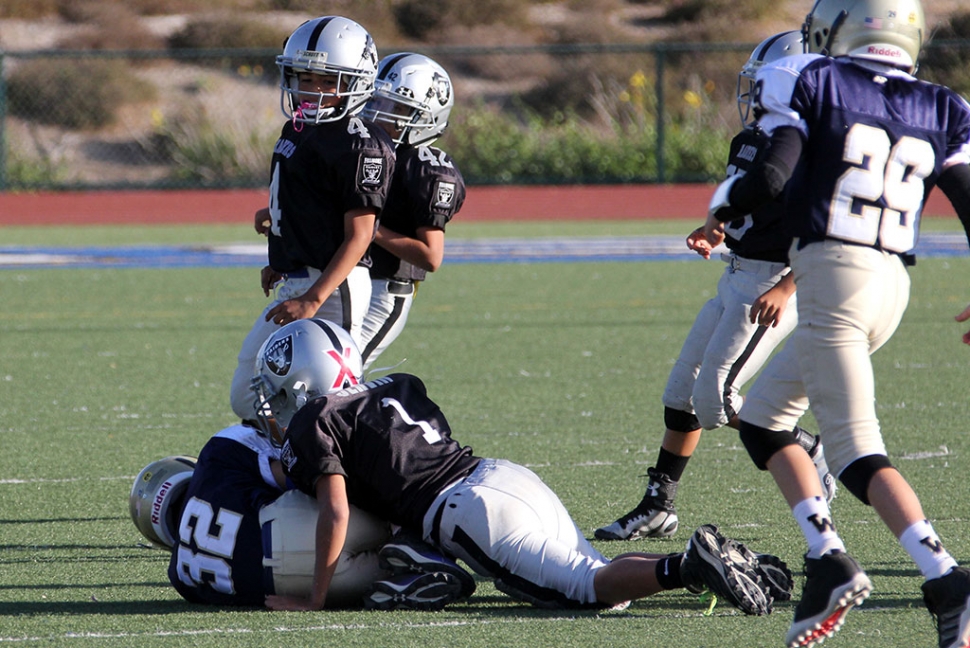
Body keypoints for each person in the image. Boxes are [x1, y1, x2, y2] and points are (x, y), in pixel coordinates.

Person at [702, 1, 970, 646]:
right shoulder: (946, 105)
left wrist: (723, 204)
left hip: (831, 273)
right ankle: (825, 554)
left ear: (837, 30)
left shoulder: (815, 80)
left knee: (854, 448)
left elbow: (770, 173)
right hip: (891, 285)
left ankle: (945, 578)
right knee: (764, 417)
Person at [249, 318, 791, 614]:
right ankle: (720, 564)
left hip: (469, 513)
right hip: (502, 476)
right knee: (594, 568)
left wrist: (315, 598)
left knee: (593, 589)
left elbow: (336, 513)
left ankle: (690, 566)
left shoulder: (314, 419)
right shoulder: (395, 386)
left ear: (304, 381)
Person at [595, 30, 835, 543]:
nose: (756, 95)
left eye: (768, 83)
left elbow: (827, 234)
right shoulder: (749, 141)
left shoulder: (813, 152)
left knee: (719, 399)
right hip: (735, 275)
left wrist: (789, 287)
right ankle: (658, 506)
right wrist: (715, 227)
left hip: (772, 285)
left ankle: (809, 447)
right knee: (681, 395)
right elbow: (742, 200)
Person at [229, 15, 397, 421]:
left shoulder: (360, 143)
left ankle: (344, 471)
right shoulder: (299, 127)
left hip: (332, 285)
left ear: (355, 82)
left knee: (330, 396)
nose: (312, 89)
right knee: (250, 391)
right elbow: (310, 198)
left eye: (326, 80)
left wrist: (312, 298)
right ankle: (282, 467)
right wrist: (281, 255)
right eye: (304, 77)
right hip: (299, 278)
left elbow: (360, 234)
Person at [129, 418, 475, 610]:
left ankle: (400, 577)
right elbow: (296, 471)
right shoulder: (219, 453)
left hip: (294, 585)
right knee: (348, 485)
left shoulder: (181, 578)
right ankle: (415, 537)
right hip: (305, 531)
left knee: (380, 568)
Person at [357, 53, 466, 372]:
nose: (380, 113)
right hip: (351, 278)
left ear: (426, 115)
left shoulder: (426, 170)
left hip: (385, 289)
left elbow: (430, 256)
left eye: (398, 108)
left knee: (338, 376)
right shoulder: (369, 150)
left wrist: (369, 229)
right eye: (378, 100)